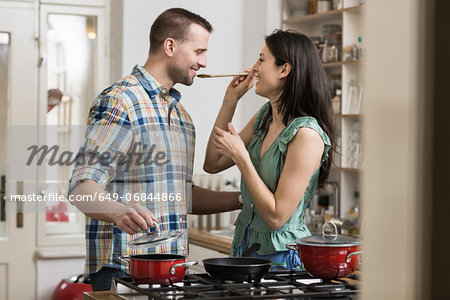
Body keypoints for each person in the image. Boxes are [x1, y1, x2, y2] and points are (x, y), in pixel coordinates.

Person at [68, 8, 241, 291]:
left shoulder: (182, 116)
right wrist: (118, 212)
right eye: (198, 51)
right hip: (123, 270)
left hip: (172, 268)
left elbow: (183, 196)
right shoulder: (120, 101)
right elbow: (81, 188)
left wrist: (246, 199)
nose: (204, 62)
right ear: (170, 46)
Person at [204, 29, 336, 270]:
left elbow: (276, 217)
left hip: (280, 258)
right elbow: (212, 163)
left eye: (262, 60)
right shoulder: (264, 116)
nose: (254, 68)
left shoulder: (306, 135)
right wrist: (230, 100)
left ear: (284, 70)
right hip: (244, 248)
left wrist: (242, 157)